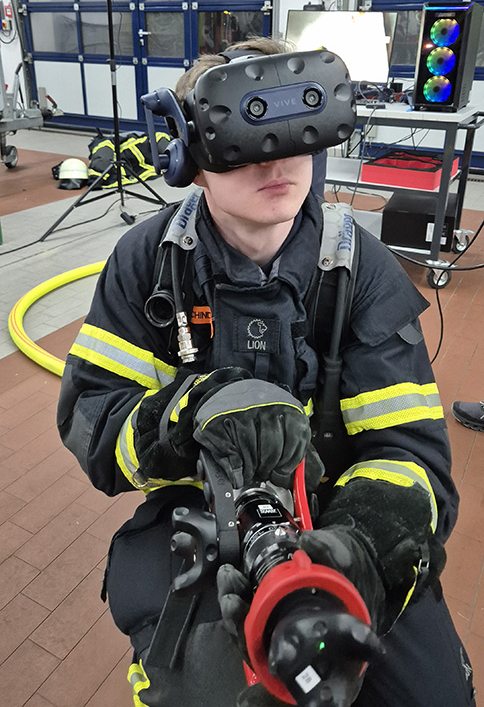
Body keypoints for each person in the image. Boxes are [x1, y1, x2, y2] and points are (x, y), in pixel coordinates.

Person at [57, 37, 475, 707]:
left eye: (293, 129)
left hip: (341, 514)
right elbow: (91, 419)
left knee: (432, 696)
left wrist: (358, 553)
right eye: (244, 137)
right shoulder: (148, 263)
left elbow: (411, 458)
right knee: (206, 687)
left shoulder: (357, 269)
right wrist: (181, 420)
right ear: (190, 157)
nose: (278, 159)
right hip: (198, 515)